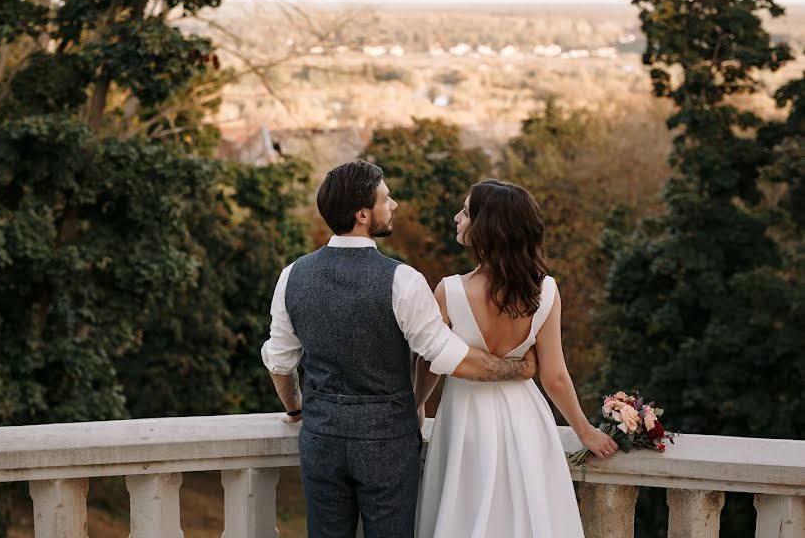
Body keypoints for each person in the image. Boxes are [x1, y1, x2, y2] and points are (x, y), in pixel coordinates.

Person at [261, 161, 538, 538]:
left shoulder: (292, 275)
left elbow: (279, 363)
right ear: (362, 214)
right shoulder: (402, 280)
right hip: (387, 443)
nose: (394, 206)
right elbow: (447, 357)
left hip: (321, 438)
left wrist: (295, 408)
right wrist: (517, 369)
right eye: (385, 199)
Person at [414, 179, 618, 538]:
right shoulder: (545, 289)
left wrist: (415, 404)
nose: (456, 218)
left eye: (465, 212)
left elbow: (430, 363)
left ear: (485, 227)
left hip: (465, 422)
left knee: (464, 514)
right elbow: (554, 376)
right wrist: (584, 431)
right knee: (526, 517)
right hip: (526, 418)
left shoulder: (449, 290)